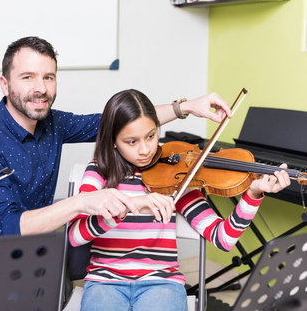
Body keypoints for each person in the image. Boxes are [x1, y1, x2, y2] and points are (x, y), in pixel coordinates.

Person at [0, 36, 233, 238]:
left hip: (42, 252)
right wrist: (81, 202)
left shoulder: (54, 121)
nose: (41, 88)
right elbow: (8, 228)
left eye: (49, 77)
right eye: (27, 77)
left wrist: (184, 107)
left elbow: (119, 123)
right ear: (5, 84)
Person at [67, 89, 291, 311]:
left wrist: (252, 194)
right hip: (105, 281)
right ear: (114, 141)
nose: (145, 150)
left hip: (161, 282)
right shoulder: (99, 170)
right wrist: (130, 206)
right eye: (132, 142)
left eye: (151, 136)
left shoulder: (174, 174)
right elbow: (75, 235)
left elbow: (223, 238)